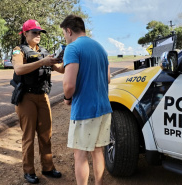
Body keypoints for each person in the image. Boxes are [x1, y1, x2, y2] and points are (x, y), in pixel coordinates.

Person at [60, 15, 113, 185]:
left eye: (64, 34)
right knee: (98, 152)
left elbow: (69, 85)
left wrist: (67, 98)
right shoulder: (100, 48)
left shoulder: (72, 48)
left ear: (69, 31)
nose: (65, 38)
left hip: (84, 111)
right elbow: (108, 78)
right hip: (104, 109)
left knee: (80, 154)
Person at [11, 19, 64, 184]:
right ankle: (29, 171)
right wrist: (43, 61)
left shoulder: (44, 52)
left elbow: (61, 70)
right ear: (25, 33)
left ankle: (48, 168)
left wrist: (67, 59)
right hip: (26, 98)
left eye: (39, 32)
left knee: (46, 135)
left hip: (43, 97)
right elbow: (18, 69)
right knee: (28, 137)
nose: (37, 35)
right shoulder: (18, 51)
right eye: (34, 32)